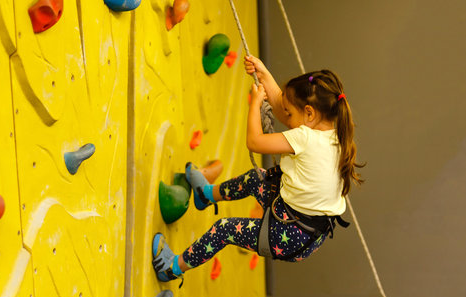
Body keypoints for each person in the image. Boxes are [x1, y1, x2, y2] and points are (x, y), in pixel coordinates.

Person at [152, 55, 364, 283]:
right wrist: (263, 73)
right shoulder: (337, 136)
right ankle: (205, 195)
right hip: (302, 229)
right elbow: (284, 109)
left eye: (291, 115)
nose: (286, 119)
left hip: (289, 233)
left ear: (310, 113)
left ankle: (171, 268)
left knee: (224, 229)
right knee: (256, 178)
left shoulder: (305, 138)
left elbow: (255, 142)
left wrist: (255, 105)